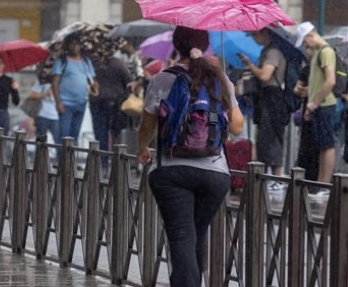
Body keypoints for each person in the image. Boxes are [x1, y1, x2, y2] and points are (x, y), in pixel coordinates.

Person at [136, 26, 243, 287]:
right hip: (215, 173)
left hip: (171, 171)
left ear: (176, 45)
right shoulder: (220, 78)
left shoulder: (162, 79)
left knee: (182, 234)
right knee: (196, 233)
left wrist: (142, 149)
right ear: (205, 45)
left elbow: (148, 127)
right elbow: (238, 127)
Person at [239, 28, 289, 184]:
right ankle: (269, 177)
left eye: (255, 34)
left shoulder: (273, 52)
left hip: (273, 99)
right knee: (264, 140)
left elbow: (265, 75)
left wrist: (250, 66)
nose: (254, 38)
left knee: (272, 138)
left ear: (265, 33)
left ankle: (276, 179)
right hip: (265, 99)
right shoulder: (266, 51)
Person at [295, 22, 338, 193]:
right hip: (319, 105)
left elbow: (330, 80)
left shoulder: (326, 52)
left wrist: (314, 103)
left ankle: (324, 185)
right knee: (322, 145)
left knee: (327, 145)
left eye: (306, 43)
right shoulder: (320, 53)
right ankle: (321, 183)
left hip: (324, 104)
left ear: (311, 36)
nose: (306, 47)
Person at [52, 34, 98, 141]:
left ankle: (72, 157)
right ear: (67, 46)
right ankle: (62, 157)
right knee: (64, 136)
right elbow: (55, 83)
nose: (74, 47)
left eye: (77, 44)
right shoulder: (62, 61)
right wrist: (58, 103)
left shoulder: (86, 62)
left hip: (81, 103)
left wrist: (95, 87)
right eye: (71, 44)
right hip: (65, 104)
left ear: (80, 45)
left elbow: (93, 80)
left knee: (75, 135)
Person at [88, 56, 131, 162]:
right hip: (116, 101)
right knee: (116, 132)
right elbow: (127, 81)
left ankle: (103, 160)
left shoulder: (92, 64)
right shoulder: (118, 63)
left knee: (100, 133)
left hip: (98, 101)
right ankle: (117, 159)